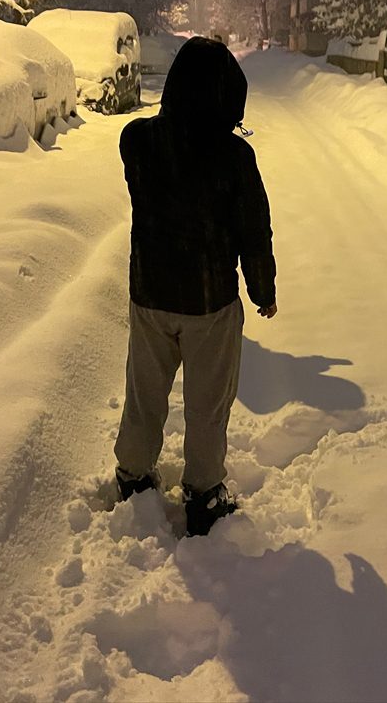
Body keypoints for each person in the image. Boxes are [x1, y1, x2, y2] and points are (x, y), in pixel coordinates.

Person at [115, 37, 277, 537]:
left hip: (150, 295)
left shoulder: (139, 141)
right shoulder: (234, 158)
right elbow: (254, 230)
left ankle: (134, 475)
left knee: (145, 394)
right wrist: (262, 289)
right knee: (207, 404)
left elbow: (142, 150)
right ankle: (204, 494)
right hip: (210, 305)